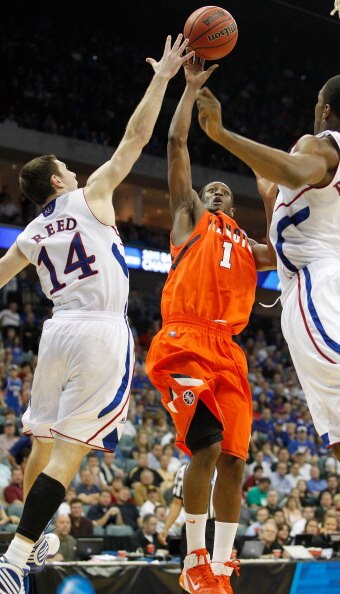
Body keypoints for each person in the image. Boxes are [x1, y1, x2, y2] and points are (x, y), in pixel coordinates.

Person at [196, 3, 340, 590]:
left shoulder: (322, 148)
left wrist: (220, 133)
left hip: (315, 291)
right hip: (329, 286)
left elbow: (289, 164)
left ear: (326, 110)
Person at [0, 34, 194, 592]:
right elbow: (136, 136)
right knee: (70, 452)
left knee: (41, 441)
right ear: (60, 181)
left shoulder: (33, 230)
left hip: (56, 330)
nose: (76, 171)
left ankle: (32, 538)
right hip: (100, 332)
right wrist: (162, 77)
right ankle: (14, 556)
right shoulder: (93, 195)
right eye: (67, 167)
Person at [145, 56, 275, 594]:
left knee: (235, 459)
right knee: (205, 444)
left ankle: (221, 566)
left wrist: (270, 198)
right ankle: (192, 556)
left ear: (235, 206)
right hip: (184, 338)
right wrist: (188, 89)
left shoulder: (249, 245)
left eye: (224, 190)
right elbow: (178, 148)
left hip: (229, 349)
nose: (215, 191)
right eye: (210, 188)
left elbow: (292, 252)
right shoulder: (189, 217)